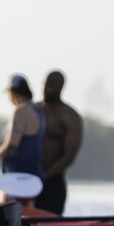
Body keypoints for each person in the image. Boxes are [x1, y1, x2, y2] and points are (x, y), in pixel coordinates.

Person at [36, 70, 83, 215]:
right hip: (28, 181)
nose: (47, 89)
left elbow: (69, 156)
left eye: (52, 85)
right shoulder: (33, 110)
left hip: (52, 183)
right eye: (45, 84)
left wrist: (44, 176)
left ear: (61, 87)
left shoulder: (70, 116)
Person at [0, 74, 44, 180]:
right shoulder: (37, 110)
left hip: (17, 179)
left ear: (11, 92)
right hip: (34, 177)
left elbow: (10, 148)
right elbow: (26, 143)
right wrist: (2, 145)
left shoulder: (20, 111)